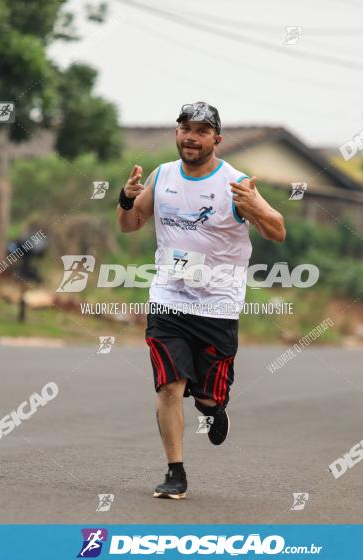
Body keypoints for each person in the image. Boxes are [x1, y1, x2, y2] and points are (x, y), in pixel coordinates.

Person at [117, 101, 286, 499]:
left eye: (201, 130)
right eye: (184, 128)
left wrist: (256, 206)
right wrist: (125, 199)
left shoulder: (236, 184)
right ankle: (175, 472)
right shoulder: (161, 177)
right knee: (169, 388)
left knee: (208, 395)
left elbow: (277, 231)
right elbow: (129, 225)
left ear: (217, 139)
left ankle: (211, 408)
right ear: (176, 133)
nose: (190, 136)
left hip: (218, 307)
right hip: (169, 300)